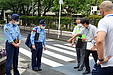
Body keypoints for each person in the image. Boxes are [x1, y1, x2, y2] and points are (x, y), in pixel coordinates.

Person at [92, 1, 113, 75]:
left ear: (102, 11)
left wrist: (101, 59)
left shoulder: (104, 21)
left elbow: (100, 41)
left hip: (107, 64)